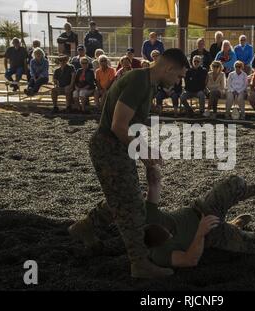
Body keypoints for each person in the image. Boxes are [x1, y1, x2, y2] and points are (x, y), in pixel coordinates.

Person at [68, 48, 189, 279]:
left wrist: (146, 152)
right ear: (169, 68)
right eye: (179, 76)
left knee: (123, 196)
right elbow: (119, 126)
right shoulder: (139, 82)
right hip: (109, 147)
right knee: (131, 203)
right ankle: (139, 263)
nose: (178, 81)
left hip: (116, 147)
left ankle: (85, 227)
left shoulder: (146, 82)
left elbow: (129, 127)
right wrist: (144, 153)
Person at [144, 167, 255, 269]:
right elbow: (190, 260)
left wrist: (151, 166)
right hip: (211, 234)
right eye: (170, 235)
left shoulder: (149, 216)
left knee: (236, 182)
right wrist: (200, 233)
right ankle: (233, 226)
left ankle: (243, 193)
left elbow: (154, 185)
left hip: (202, 209)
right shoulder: (160, 255)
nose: (170, 231)